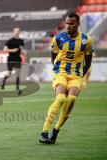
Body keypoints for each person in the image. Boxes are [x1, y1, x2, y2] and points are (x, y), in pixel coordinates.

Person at [39, 13, 94, 144]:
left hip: (76, 75)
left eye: (72, 23)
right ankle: (44, 132)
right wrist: (58, 70)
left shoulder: (87, 40)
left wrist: (80, 76)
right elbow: (53, 57)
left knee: (71, 99)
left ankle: (55, 131)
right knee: (61, 98)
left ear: (78, 24)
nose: (68, 26)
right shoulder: (58, 38)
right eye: (67, 23)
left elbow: (88, 62)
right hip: (61, 73)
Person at [1, 27, 26, 95]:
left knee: (18, 74)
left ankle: (17, 89)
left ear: (19, 32)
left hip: (18, 59)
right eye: (15, 31)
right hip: (11, 59)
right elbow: (4, 49)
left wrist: (23, 52)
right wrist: (13, 50)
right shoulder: (10, 41)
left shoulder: (21, 41)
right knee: (9, 73)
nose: (17, 32)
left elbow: (21, 49)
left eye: (18, 31)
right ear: (13, 32)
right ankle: (4, 80)